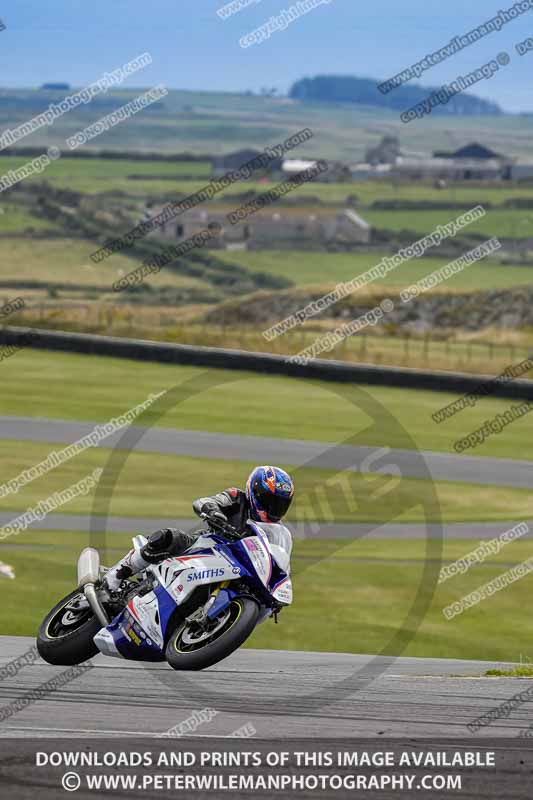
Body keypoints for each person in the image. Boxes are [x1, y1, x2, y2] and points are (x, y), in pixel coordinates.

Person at [104, 465, 294, 592]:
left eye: (280, 504)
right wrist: (214, 513)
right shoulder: (237, 498)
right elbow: (204, 502)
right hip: (206, 547)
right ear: (255, 492)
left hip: (239, 571)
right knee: (170, 537)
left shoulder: (280, 534)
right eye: (270, 501)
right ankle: (116, 575)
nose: (273, 509)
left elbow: (280, 563)